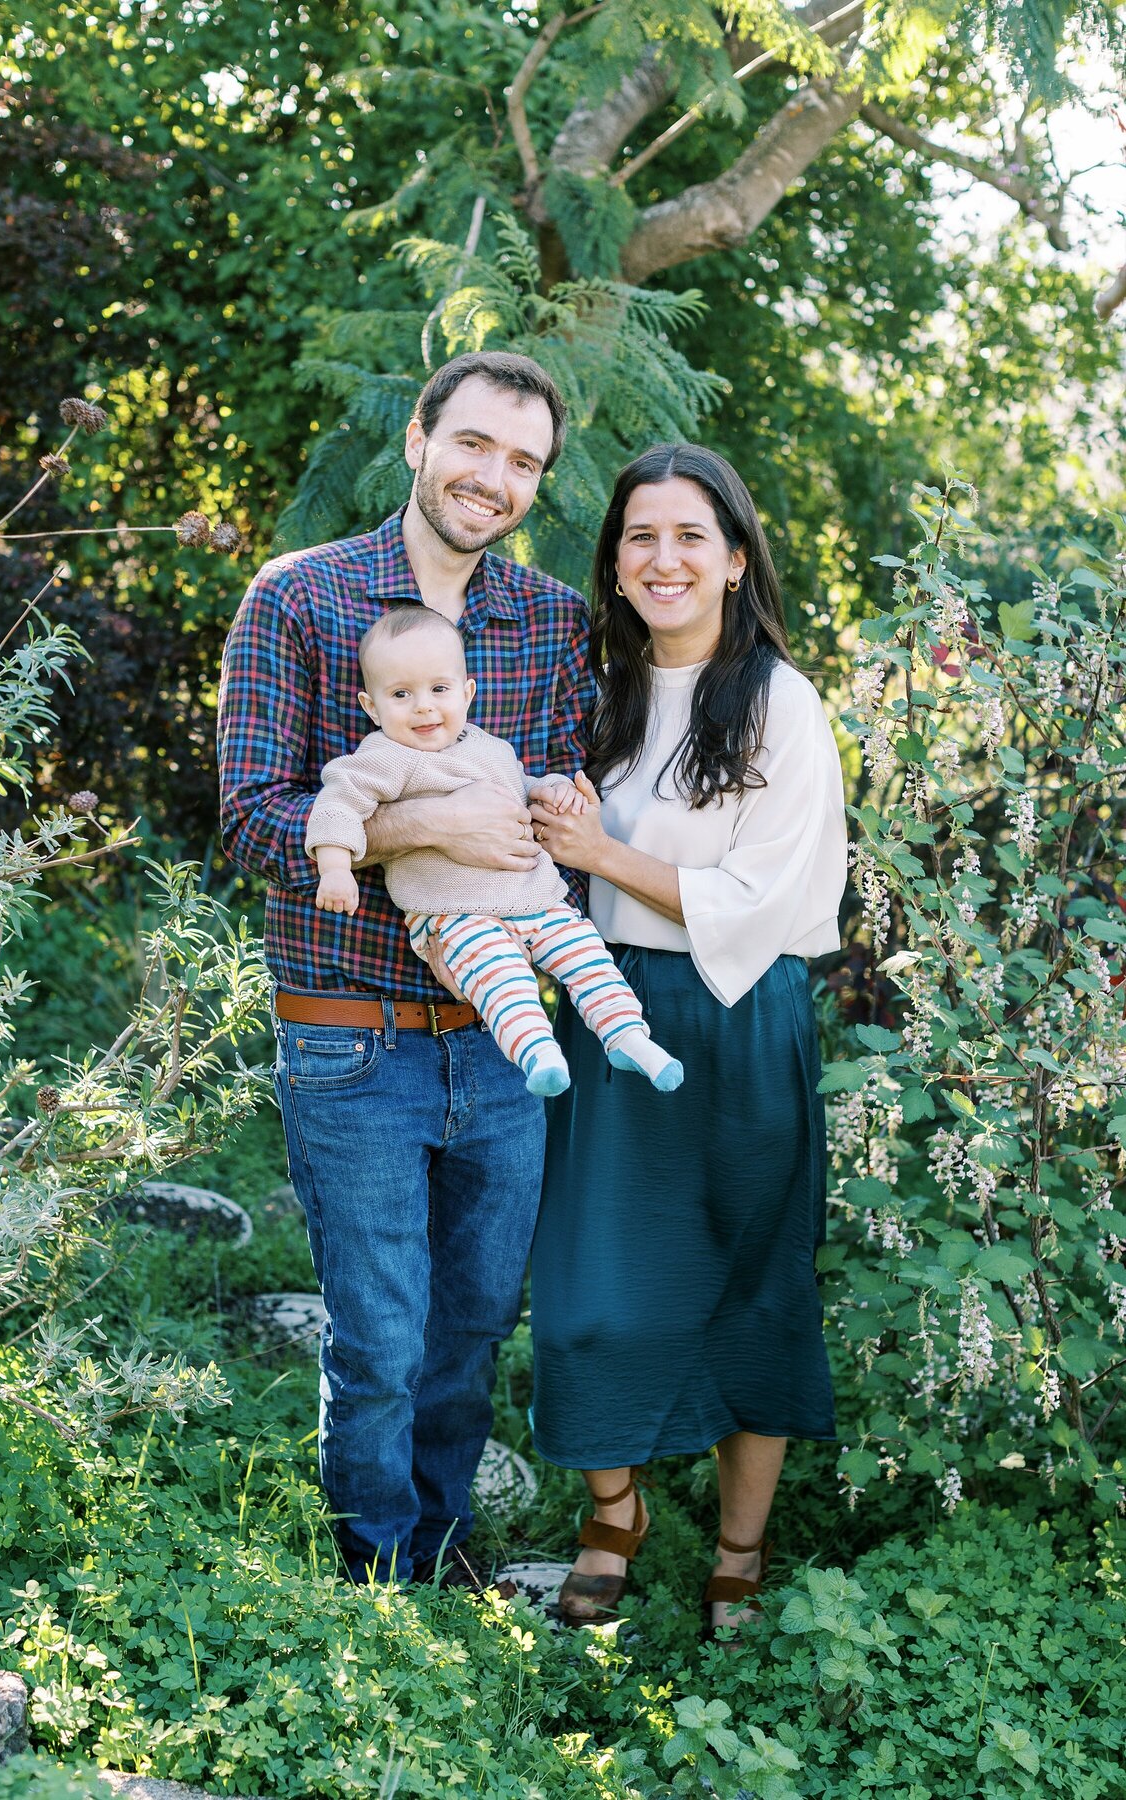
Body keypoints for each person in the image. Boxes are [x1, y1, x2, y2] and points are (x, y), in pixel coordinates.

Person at [217, 351, 594, 1589]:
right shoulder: (303, 599)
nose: (495, 478)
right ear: (420, 440)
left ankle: (441, 1548)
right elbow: (255, 822)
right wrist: (419, 831)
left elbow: (547, 822)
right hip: (349, 1030)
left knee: (475, 1328)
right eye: (475, 444)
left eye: (524, 461)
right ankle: (372, 1571)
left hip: (499, 1033)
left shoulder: (551, 626)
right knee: (380, 1336)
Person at [527, 443, 847, 1634]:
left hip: (739, 1020)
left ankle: (741, 1549)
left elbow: (768, 901)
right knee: (584, 1292)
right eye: (640, 538)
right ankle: (616, 1509)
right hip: (606, 1012)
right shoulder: (591, 691)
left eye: (689, 538)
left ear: (735, 560)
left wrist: (598, 852)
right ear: (614, 565)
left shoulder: (779, 701)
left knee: (750, 1289)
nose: (664, 559)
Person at [306, 604, 683, 1096]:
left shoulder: (489, 747)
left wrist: (547, 788)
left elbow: (515, 785)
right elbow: (337, 802)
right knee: (502, 977)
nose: (423, 706)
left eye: (439, 690)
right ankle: (538, 1053)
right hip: (456, 914)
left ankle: (627, 1034)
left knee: (587, 954)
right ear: (372, 707)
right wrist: (335, 866)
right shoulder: (385, 757)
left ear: (467, 693)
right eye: (401, 694)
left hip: (534, 897)